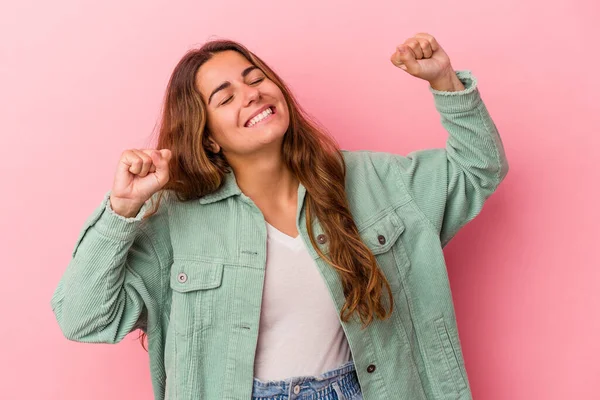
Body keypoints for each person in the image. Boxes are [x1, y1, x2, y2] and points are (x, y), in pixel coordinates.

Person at [50, 32, 509, 400]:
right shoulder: (174, 220)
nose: (251, 95)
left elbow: (478, 169)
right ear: (207, 137)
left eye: (255, 79)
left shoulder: (369, 180)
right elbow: (83, 318)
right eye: (225, 98)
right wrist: (122, 210)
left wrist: (445, 81)